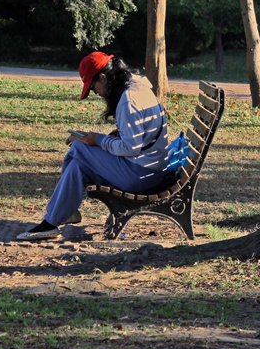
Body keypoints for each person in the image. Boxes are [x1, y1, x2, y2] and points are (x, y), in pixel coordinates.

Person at [16, 52, 172, 241]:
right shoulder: (137, 84)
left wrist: (97, 140)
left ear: (104, 78)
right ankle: (59, 216)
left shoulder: (128, 101)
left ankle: (57, 217)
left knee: (79, 147)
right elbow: (138, 137)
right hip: (149, 169)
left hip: (142, 175)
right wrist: (107, 137)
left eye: (92, 86)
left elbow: (131, 148)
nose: (95, 93)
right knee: (78, 166)